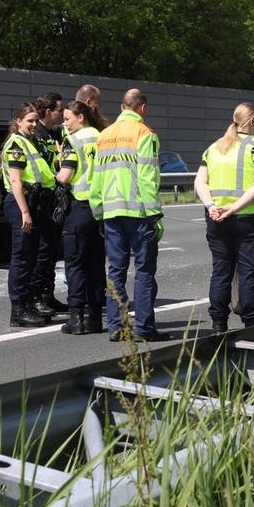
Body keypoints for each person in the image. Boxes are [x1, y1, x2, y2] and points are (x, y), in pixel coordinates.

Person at [90, 89, 167, 342]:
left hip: (111, 213)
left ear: (123, 107)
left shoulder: (104, 135)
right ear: (142, 108)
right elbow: (147, 177)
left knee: (115, 272)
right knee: (144, 272)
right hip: (139, 214)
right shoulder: (144, 134)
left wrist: (98, 212)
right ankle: (144, 328)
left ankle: (117, 327)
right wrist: (154, 214)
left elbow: (96, 178)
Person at [193, 103, 254, 335]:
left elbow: (200, 182)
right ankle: (251, 325)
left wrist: (211, 206)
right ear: (250, 122)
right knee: (249, 272)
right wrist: (235, 208)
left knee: (221, 271)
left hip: (217, 219)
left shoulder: (214, 148)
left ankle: (218, 324)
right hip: (248, 219)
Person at [55, 100, 107, 335]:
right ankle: (95, 316)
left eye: (67, 118)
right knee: (96, 263)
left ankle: (76, 318)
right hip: (102, 207)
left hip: (79, 205)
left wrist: (56, 168)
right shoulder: (103, 137)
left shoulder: (73, 141)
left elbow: (65, 177)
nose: (65, 123)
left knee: (75, 263)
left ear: (80, 117)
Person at [0, 103, 53, 328]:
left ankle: (27, 304)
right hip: (21, 204)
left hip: (32, 203)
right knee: (21, 259)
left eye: (35, 120)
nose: (33, 124)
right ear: (19, 121)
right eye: (29, 120)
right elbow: (15, 181)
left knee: (30, 257)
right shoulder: (16, 144)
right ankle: (18, 310)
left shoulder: (29, 142)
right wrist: (24, 212)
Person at [31, 92, 68, 316]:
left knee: (52, 251)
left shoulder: (56, 133)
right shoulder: (37, 134)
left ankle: (48, 294)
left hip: (55, 200)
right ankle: (36, 297)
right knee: (42, 251)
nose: (62, 113)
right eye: (59, 110)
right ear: (48, 111)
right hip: (41, 200)